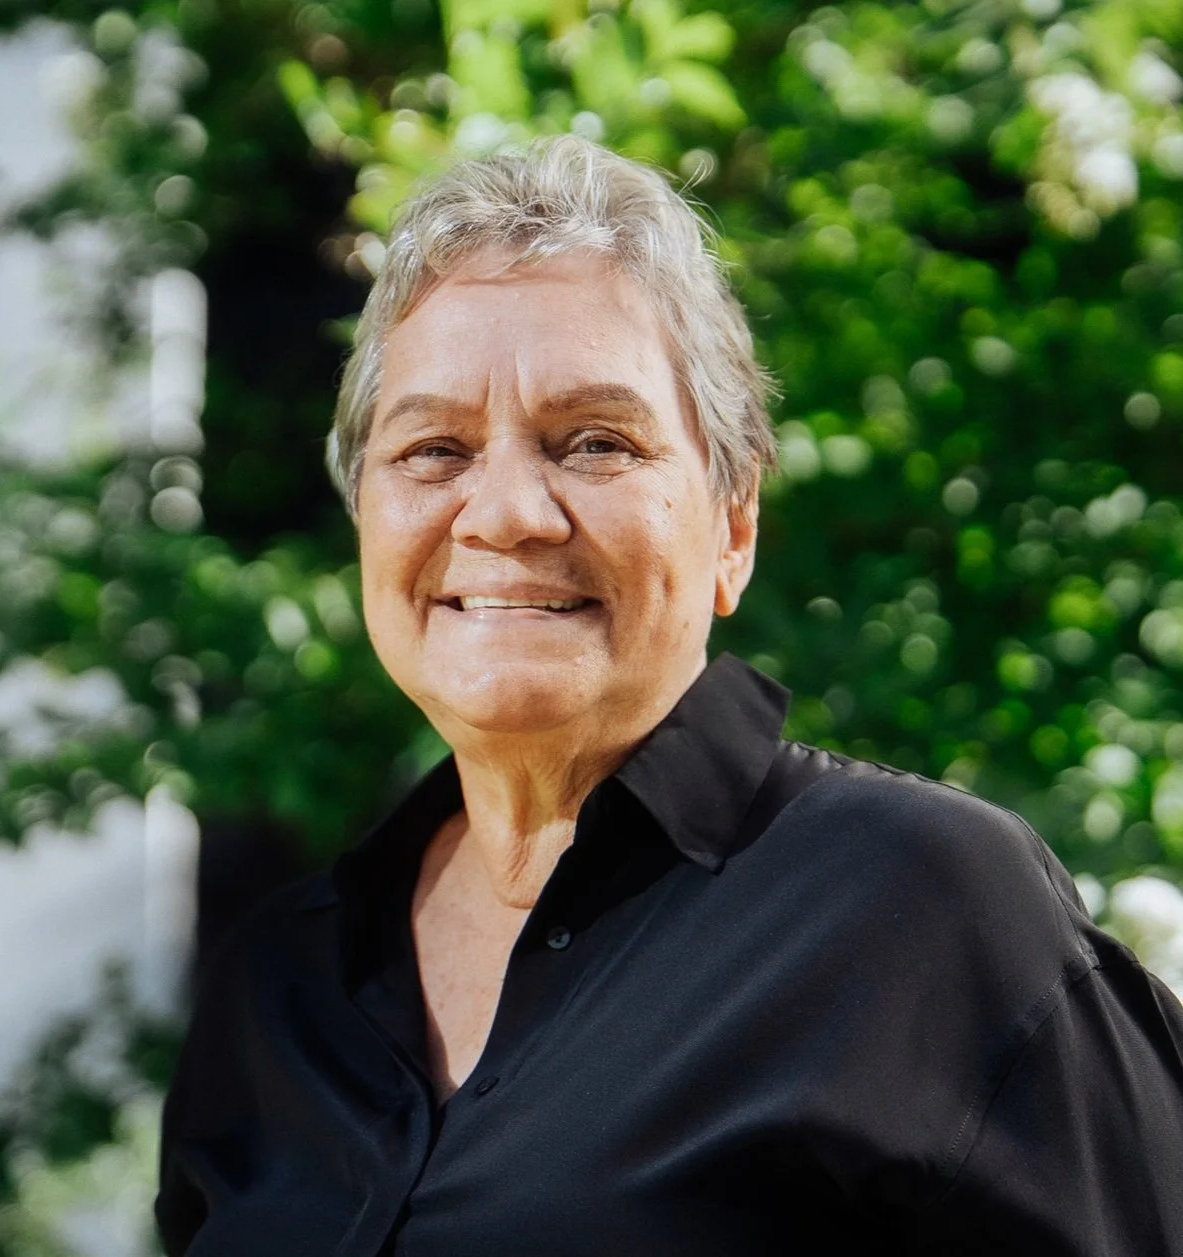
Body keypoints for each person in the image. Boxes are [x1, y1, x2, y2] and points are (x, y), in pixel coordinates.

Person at [155, 136, 1183, 1257]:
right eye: (434, 450)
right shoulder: (276, 989)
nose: (506, 514)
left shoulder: (926, 909)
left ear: (733, 525)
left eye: (595, 443)